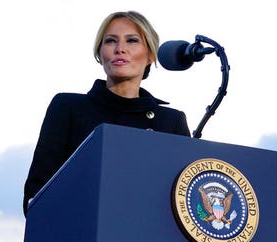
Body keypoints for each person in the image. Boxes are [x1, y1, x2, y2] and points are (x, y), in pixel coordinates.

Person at [23, 11, 191, 215]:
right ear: (100, 53)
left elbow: (183, 205)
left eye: (132, 41)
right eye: (111, 41)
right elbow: (37, 194)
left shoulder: (171, 121)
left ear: (150, 55)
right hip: (79, 235)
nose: (120, 49)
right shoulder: (67, 107)